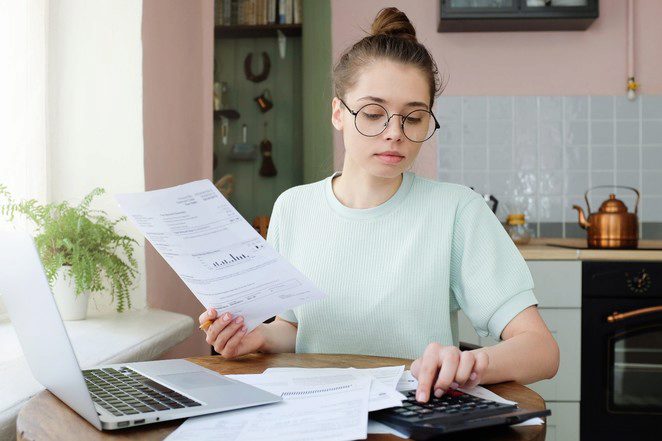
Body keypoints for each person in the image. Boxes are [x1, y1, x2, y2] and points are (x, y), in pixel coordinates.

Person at [200, 7, 559, 404]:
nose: (394, 134)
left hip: (416, 416)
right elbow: (296, 327)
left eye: (414, 117)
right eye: (373, 113)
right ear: (338, 113)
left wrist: (468, 364)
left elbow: (541, 350)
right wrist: (259, 337)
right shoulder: (293, 207)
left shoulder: (458, 211)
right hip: (315, 415)